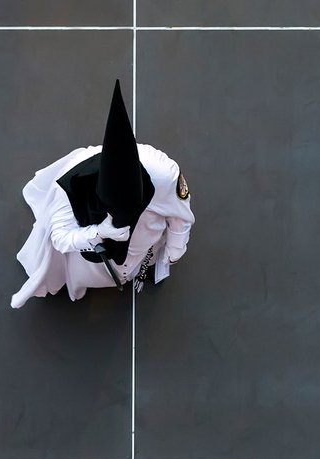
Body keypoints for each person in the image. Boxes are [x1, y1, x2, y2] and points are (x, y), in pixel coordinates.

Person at [11, 80, 194, 308]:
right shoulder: (68, 187)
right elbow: (60, 238)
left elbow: (180, 215)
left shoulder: (164, 175)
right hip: (93, 261)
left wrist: (175, 251)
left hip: (146, 246)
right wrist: (98, 233)